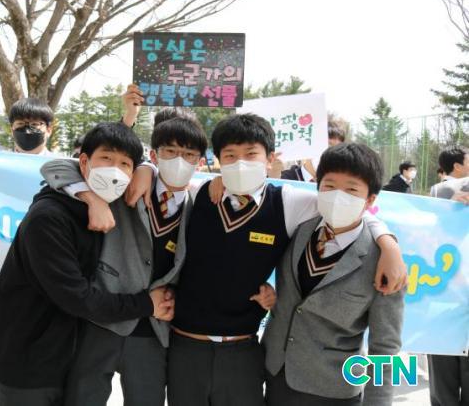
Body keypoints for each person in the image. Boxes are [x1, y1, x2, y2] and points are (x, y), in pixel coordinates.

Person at [129, 114, 404, 406]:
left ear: (270, 158)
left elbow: (350, 212)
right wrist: (146, 167)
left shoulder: (288, 204)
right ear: (218, 159)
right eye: (230, 156)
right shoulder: (199, 194)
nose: (240, 164)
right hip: (191, 348)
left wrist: (388, 243)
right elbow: (167, 179)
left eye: (251, 154)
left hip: (251, 356)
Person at [40, 115, 243, 406]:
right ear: (154, 155)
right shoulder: (127, 184)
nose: (179, 160)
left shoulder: (199, 205)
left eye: (189, 155)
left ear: (200, 162)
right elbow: (55, 167)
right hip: (102, 319)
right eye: (170, 152)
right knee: (82, 398)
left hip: (153, 329)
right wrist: (95, 198)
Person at [0, 122, 173, 406]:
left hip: (62, 360)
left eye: (125, 164)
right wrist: (147, 304)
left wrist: (148, 169)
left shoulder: (98, 204)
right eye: (106, 158)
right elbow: (77, 298)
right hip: (23, 365)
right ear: (84, 162)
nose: (115, 171)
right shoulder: (50, 218)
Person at [262, 143, 406, 406]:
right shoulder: (296, 228)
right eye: (329, 186)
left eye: (351, 190)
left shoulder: (384, 263)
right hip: (275, 374)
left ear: (370, 200)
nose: (338, 196)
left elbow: (386, 347)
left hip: (335, 389)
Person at [0, 97, 55, 324]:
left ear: (49, 129)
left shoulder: (63, 170)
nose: (27, 130)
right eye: (21, 124)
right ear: (11, 129)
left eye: (35, 124)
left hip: (44, 268)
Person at [427, 146, 469, 406]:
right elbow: (426, 238)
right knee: (443, 384)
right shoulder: (441, 193)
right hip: (446, 296)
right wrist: (449, 211)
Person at [279, 121, 346, 182]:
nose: (331, 154)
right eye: (327, 146)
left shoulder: (338, 185)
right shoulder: (284, 180)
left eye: (337, 149)